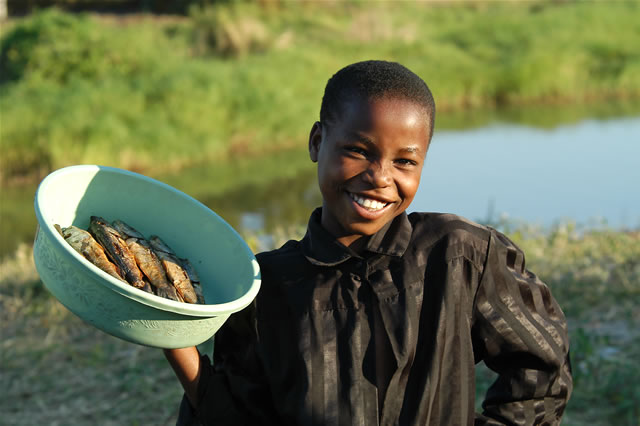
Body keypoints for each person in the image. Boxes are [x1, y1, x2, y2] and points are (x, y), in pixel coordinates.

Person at [164, 60, 573, 425]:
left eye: (405, 161)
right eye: (358, 151)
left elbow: (541, 369)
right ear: (316, 142)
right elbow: (237, 414)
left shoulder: (459, 256)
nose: (380, 176)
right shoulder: (265, 285)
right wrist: (174, 339)